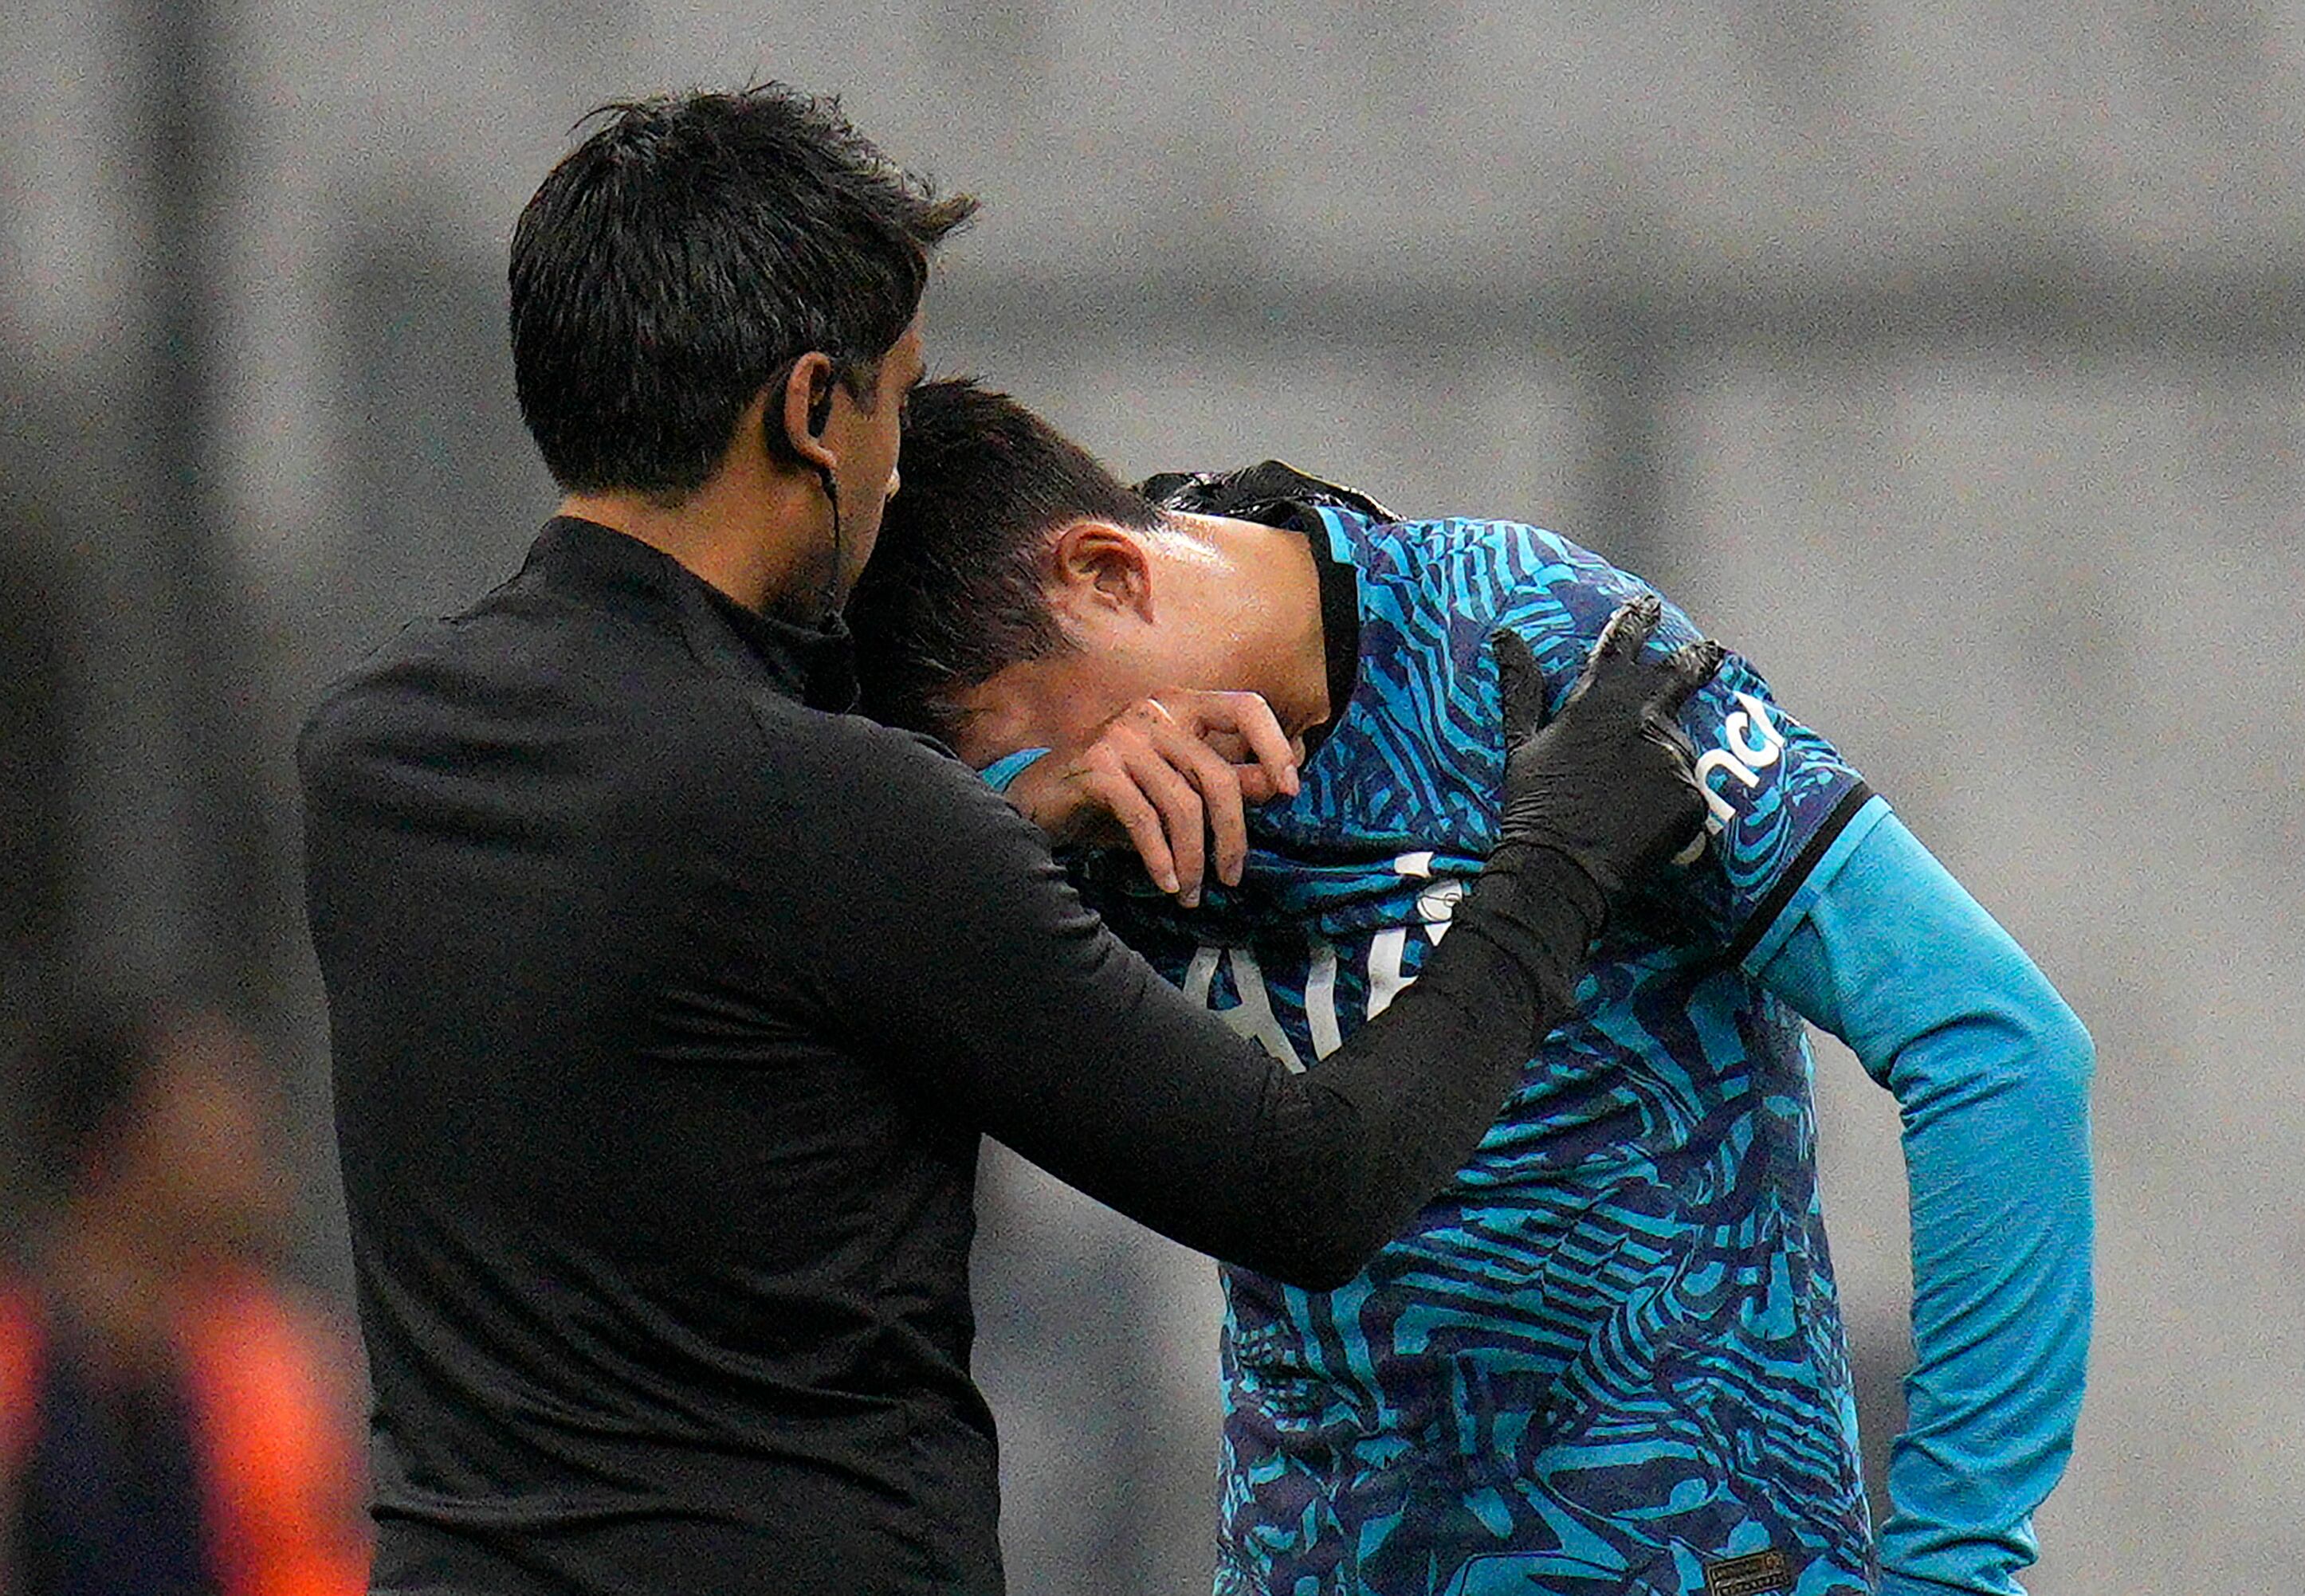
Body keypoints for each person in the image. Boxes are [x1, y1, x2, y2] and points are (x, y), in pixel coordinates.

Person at [296, 87, 1725, 1595]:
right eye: (897, 403)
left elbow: (694, 987)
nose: (903, 468)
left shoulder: (375, 752)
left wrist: (1011, 819)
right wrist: (1562, 848)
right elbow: (1312, 1183)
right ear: (808, 412)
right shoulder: (835, 815)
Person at [841, 378, 2099, 1596]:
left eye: (1000, 749)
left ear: (1109, 573)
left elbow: (1994, 1041)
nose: (1041, 801)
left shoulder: (1531, 643)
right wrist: (1017, 807)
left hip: (1701, 1555)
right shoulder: (1039, 836)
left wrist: (1953, 1563)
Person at [0, 1000, 369, 1596]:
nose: (255, 1129)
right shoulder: (18, 1361)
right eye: (215, 1098)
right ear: (119, 1139)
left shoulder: (271, 1356)